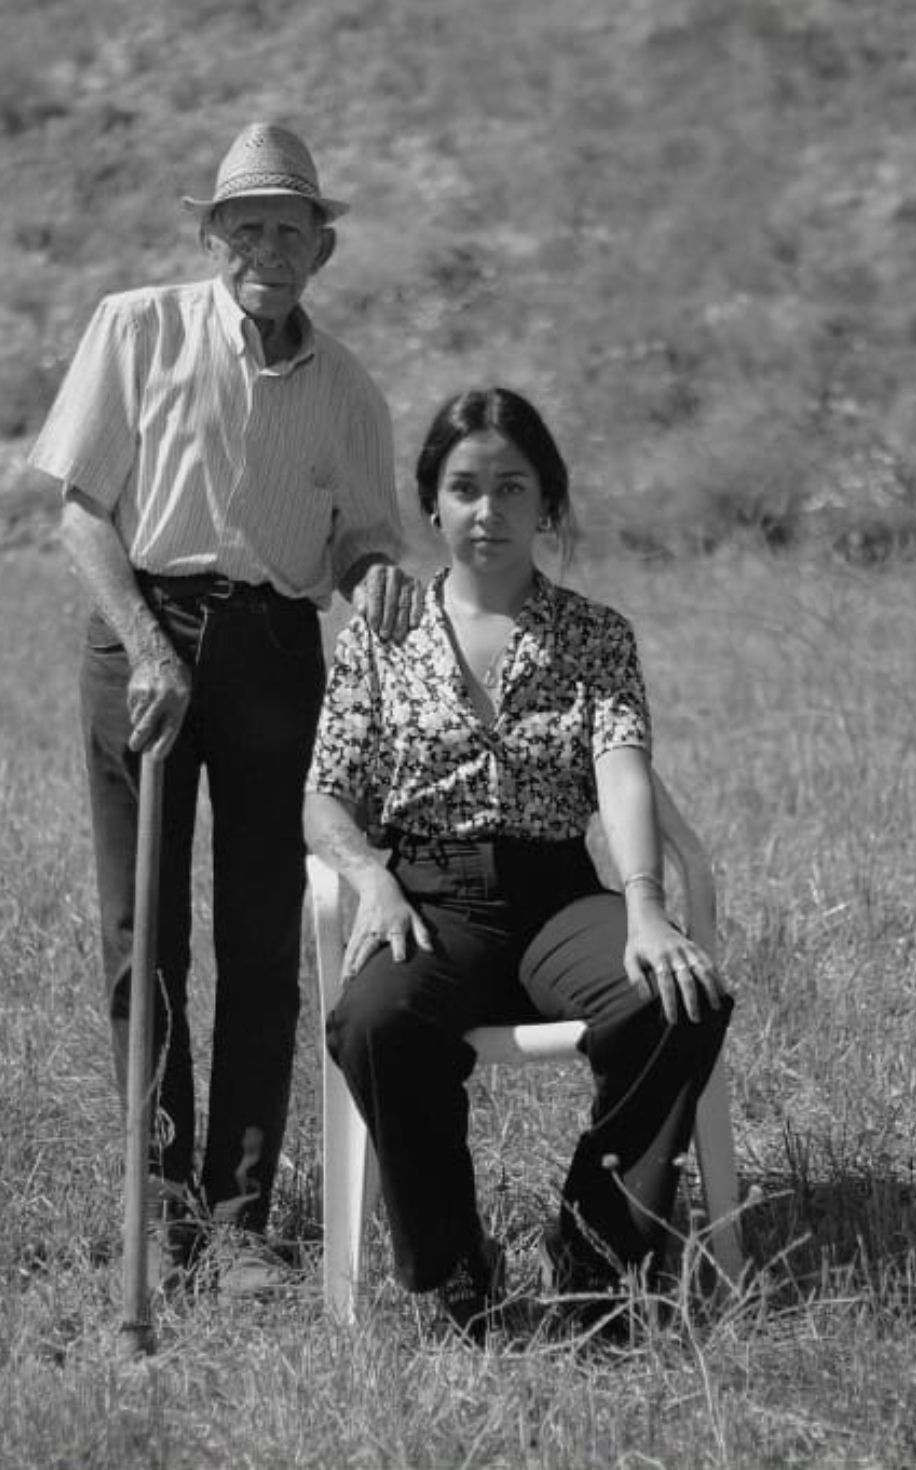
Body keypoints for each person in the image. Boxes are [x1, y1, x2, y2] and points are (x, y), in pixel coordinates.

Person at [28, 122, 419, 1292]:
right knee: (142, 932)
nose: (267, 250)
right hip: (140, 633)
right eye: (245, 228)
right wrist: (150, 646)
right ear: (211, 237)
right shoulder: (134, 327)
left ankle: (241, 1221)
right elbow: (81, 515)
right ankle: (159, 1211)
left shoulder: (348, 389)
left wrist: (374, 576)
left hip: (274, 651)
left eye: (288, 230)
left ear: (323, 249)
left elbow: (361, 541)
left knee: (262, 937)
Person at [303, 387, 733, 1341]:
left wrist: (646, 907)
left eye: (511, 487)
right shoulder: (380, 637)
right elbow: (325, 796)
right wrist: (370, 877)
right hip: (429, 898)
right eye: (465, 488)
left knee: (679, 996)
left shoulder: (595, 636)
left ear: (547, 503)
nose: (487, 511)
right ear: (432, 504)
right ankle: (459, 1269)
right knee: (374, 1022)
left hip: (555, 897)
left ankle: (594, 1252)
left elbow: (622, 771)